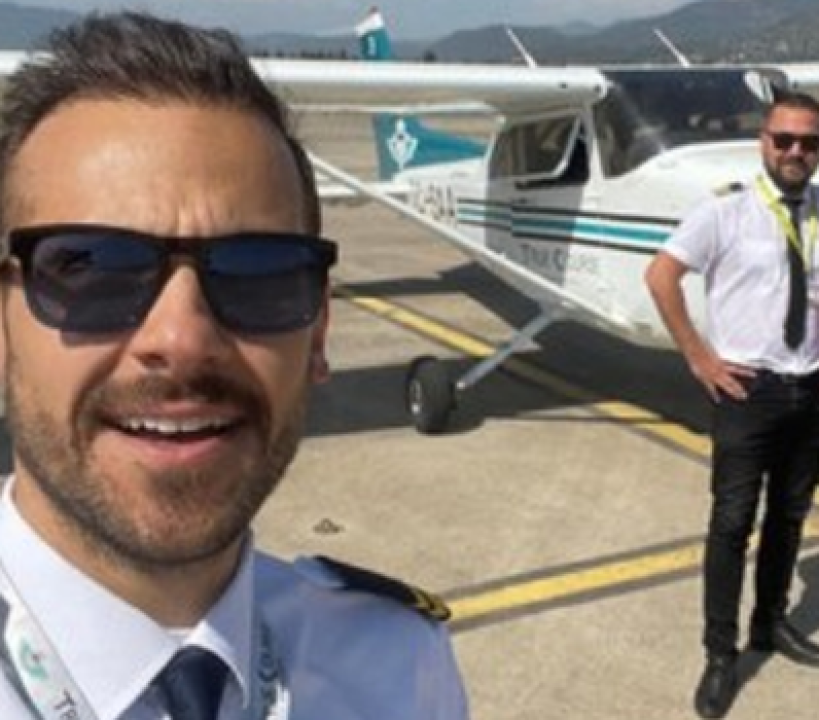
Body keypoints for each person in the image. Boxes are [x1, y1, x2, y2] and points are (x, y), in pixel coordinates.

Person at [0, 13, 468, 719]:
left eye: (260, 271)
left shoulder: (402, 665)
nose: (183, 339)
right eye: (91, 268)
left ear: (319, 333)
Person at [646, 92, 819, 719]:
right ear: (764, 143)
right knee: (731, 524)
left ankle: (770, 622)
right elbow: (661, 276)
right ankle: (720, 653)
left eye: (809, 142)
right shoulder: (724, 212)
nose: (795, 151)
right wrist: (699, 357)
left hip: (811, 387)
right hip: (748, 392)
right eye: (784, 140)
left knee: (789, 517)